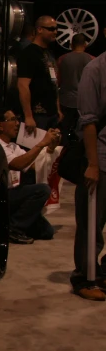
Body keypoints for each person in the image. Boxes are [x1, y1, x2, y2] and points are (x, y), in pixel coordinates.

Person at [69, 46, 106, 301]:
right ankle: (85, 276)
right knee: (91, 222)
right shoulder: (95, 70)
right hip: (101, 158)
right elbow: (88, 121)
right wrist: (92, 163)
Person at [0, 108, 59, 244]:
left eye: (17, 119)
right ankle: (13, 228)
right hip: (0, 197)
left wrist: (50, 148)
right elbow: (18, 164)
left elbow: (34, 164)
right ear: (0, 125)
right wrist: (41, 144)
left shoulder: (13, 146)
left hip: (14, 195)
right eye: (12, 120)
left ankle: (7, 224)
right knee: (42, 190)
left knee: (47, 232)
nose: (17, 123)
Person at [17, 16, 64, 136]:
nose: (55, 32)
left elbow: (53, 83)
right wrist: (28, 116)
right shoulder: (29, 53)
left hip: (51, 113)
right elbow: (23, 85)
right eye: (51, 29)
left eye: (56, 29)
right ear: (39, 29)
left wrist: (57, 108)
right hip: (37, 115)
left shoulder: (49, 53)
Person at [57, 33, 95, 139]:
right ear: (85, 44)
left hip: (66, 101)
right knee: (84, 133)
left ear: (71, 44)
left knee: (63, 133)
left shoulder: (62, 59)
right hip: (85, 103)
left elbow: (57, 81)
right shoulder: (93, 60)